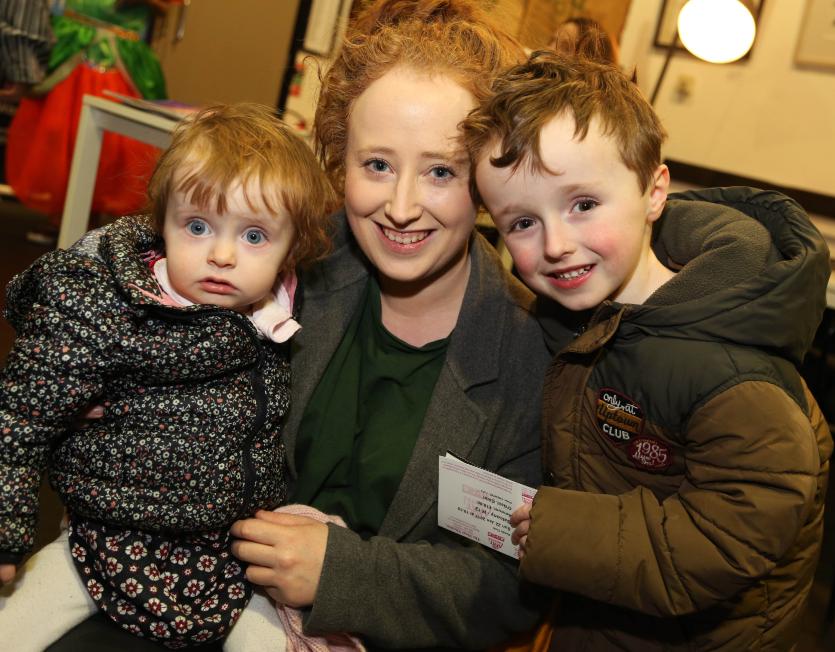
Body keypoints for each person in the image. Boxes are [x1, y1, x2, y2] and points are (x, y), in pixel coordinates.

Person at [46, 1, 550, 649]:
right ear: (339, 159)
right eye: (376, 165)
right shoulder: (281, 260)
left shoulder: (527, 354)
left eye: (440, 171)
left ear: (488, 174)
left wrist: (345, 572)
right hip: (177, 584)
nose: (400, 207)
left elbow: (505, 591)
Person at [464, 50, 833, 650]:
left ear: (654, 191)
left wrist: (559, 532)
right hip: (596, 614)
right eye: (521, 223)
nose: (556, 244)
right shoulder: (575, 316)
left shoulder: (728, 367)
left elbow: (734, 530)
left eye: (583, 205)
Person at [0, 102, 335, 649]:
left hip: (226, 551)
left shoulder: (279, 306)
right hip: (103, 536)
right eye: (198, 226)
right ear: (162, 224)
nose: (222, 255)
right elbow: (20, 416)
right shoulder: (108, 305)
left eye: (254, 236)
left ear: (290, 249)